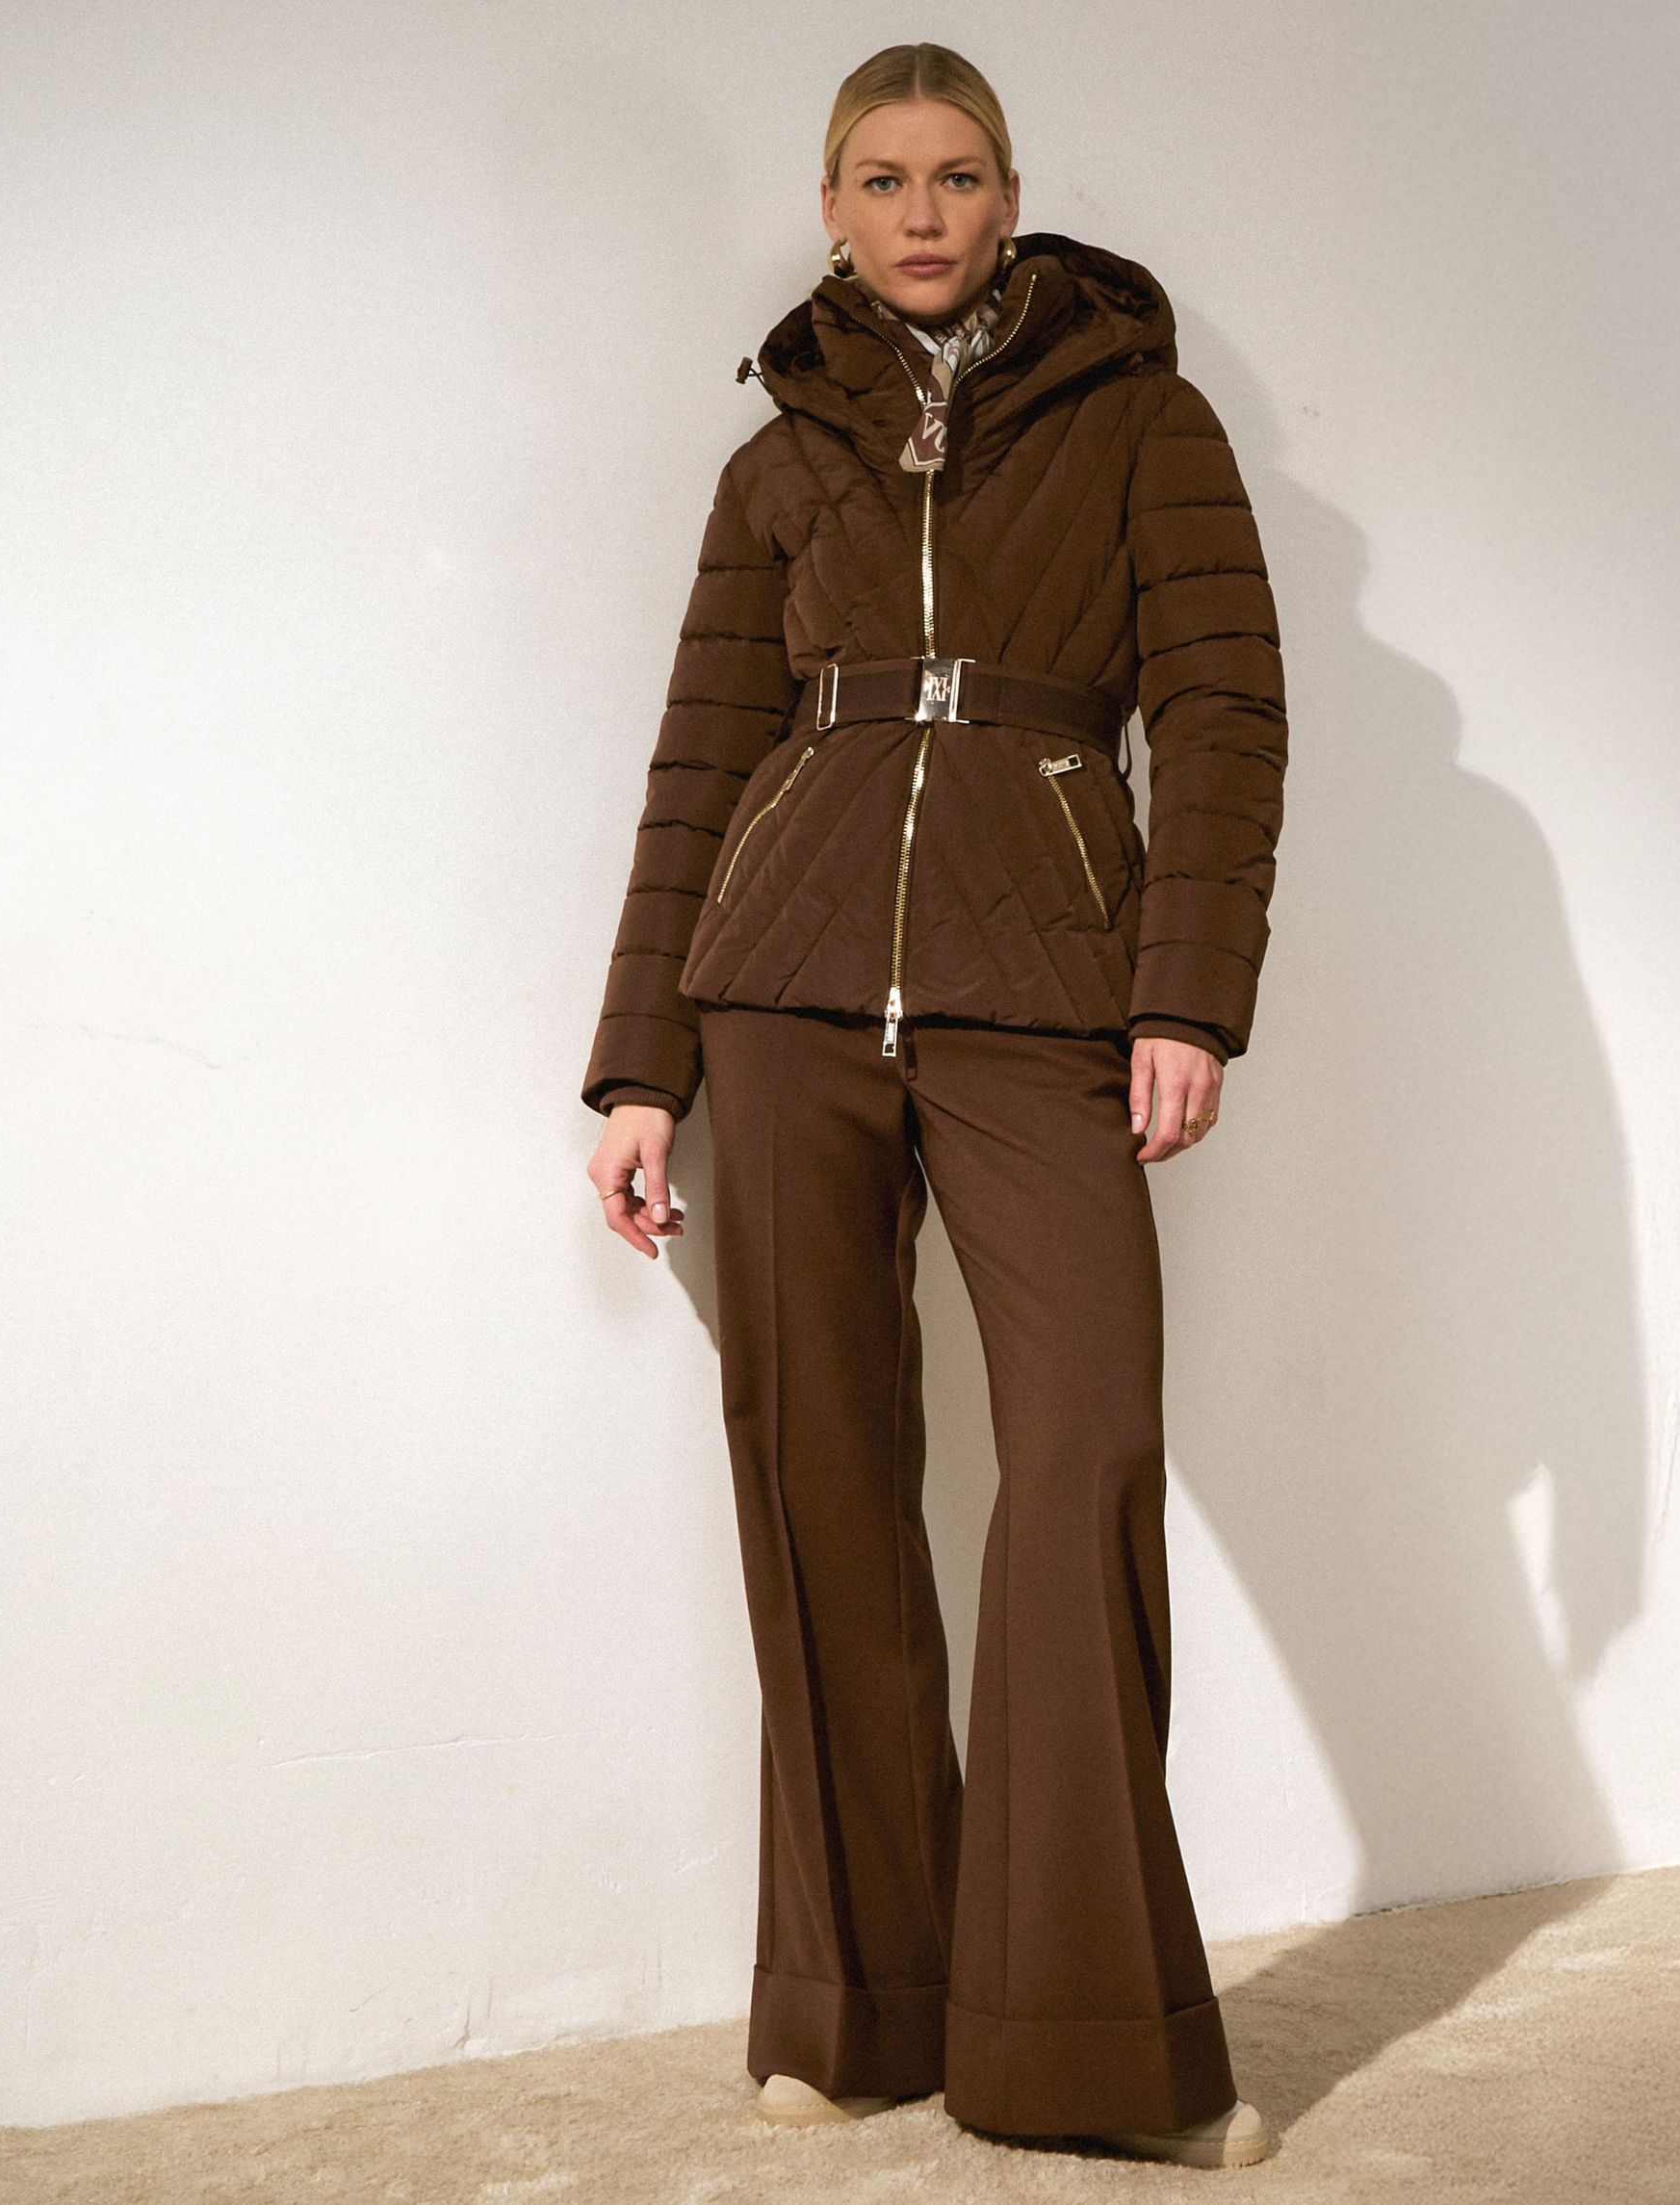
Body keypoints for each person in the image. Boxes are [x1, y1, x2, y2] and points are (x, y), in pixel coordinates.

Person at [581, 40, 1287, 2175]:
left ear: (1009, 193)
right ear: (830, 205)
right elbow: (701, 755)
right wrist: (641, 1059)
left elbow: (1223, 713)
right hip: (782, 992)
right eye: (881, 178)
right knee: (818, 1481)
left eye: (958, 174)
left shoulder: (1143, 420)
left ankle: (1085, 2040)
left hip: (1041, 992)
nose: (921, 212)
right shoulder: (777, 455)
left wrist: (1187, 995)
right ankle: (860, 2003)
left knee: (1083, 1453)